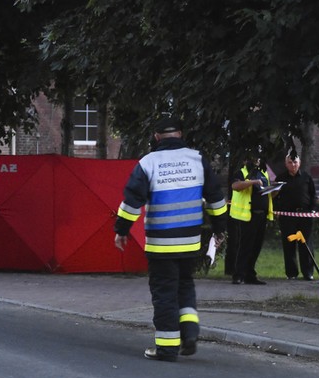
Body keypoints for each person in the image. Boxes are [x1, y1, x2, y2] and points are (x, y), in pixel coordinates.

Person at [114, 116, 227, 362]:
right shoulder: (197, 159)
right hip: (190, 241)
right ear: (181, 133)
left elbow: (132, 201)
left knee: (164, 292)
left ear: (156, 137)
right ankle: (189, 333)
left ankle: (166, 347)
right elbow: (217, 199)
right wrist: (220, 229)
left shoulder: (148, 163)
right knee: (184, 285)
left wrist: (121, 230)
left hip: (161, 243)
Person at [229, 147, 273, 285]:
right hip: (248, 215)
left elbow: (267, 192)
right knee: (245, 246)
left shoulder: (263, 174)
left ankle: (250, 274)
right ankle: (238, 275)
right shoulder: (242, 172)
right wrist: (253, 182)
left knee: (256, 247)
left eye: (259, 159)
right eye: (254, 159)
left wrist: (275, 189)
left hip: (262, 215)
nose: (257, 161)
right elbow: (235, 186)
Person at [274, 148, 317, 280]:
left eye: (295, 162)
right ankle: (291, 273)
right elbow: (274, 196)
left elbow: (313, 195)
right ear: (286, 163)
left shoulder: (306, 177)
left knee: (306, 244)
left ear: (299, 162)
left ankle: (308, 273)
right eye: (290, 162)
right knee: (289, 245)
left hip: (305, 216)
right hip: (287, 217)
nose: (293, 165)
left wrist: (312, 210)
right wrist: (276, 211)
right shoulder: (280, 178)